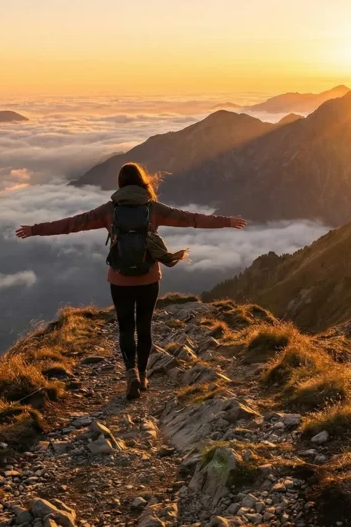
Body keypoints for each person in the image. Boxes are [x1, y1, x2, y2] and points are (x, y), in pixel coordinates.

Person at [15, 162, 247, 400]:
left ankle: (131, 374)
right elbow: (191, 219)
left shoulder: (109, 210)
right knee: (144, 327)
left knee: (126, 327)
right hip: (148, 278)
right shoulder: (152, 208)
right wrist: (227, 221)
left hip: (120, 279)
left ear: (120, 183)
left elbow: (72, 224)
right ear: (142, 181)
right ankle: (144, 375)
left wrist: (35, 229)